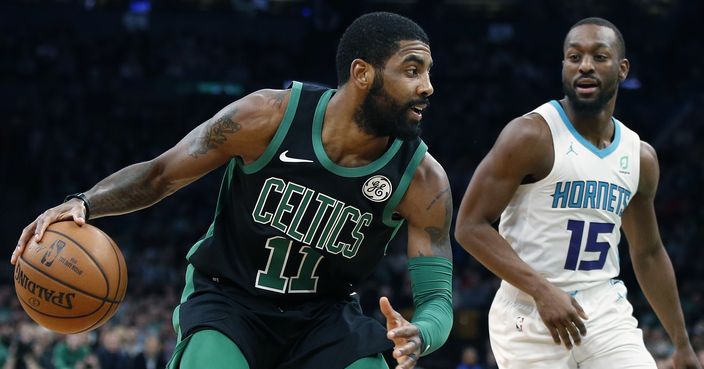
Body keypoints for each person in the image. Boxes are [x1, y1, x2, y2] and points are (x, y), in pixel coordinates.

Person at [11, 12, 453, 369]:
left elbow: (436, 300)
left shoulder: (423, 179)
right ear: (362, 73)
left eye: (429, 71)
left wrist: (422, 334)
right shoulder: (268, 117)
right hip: (230, 299)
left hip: (325, 316)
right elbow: (161, 173)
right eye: (412, 70)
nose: (427, 86)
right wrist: (84, 202)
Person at [454, 17, 700, 369]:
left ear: (622, 69)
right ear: (564, 66)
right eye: (574, 57)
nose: (585, 66)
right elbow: (469, 226)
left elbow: (647, 253)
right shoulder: (530, 136)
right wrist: (541, 290)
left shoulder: (639, 156)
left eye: (599, 56)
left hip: (603, 306)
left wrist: (681, 343)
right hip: (529, 309)